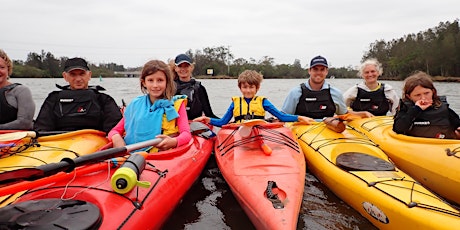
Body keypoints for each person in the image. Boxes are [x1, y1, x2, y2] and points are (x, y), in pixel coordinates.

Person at [108, 60, 191, 151]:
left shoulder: (177, 104)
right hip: (132, 155)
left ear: (167, 82)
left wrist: (174, 141)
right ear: (144, 82)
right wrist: (116, 138)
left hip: (162, 155)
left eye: (160, 80)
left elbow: (186, 134)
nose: (155, 85)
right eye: (150, 80)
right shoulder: (135, 105)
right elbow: (114, 131)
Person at [281, 55, 372, 132]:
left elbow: (344, 114)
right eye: (315, 69)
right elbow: (283, 116)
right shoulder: (296, 92)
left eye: (322, 69)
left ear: (326, 71)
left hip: (328, 131)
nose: (318, 73)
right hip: (302, 132)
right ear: (309, 71)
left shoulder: (335, 93)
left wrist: (362, 113)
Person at [194, 70, 314, 127]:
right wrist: (207, 119)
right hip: (239, 133)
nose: (248, 90)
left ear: (257, 88)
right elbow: (223, 122)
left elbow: (281, 116)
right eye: (244, 87)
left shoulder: (263, 102)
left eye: (251, 87)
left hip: (259, 131)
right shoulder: (235, 103)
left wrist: (299, 117)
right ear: (240, 87)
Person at [34, 57, 122, 134]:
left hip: (95, 144)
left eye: (82, 74)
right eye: (73, 75)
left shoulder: (103, 99)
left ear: (89, 75)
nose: (78, 79)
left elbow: (114, 129)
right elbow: (42, 128)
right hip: (61, 143)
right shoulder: (53, 99)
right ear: (65, 76)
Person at [393, 71, 460, 139]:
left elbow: (457, 125)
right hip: (414, 145)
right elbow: (398, 129)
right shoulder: (406, 110)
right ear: (409, 97)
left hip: (442, 145)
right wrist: (417, 109)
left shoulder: (444, 109)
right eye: (417, 95)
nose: (423, 98)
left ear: (433, 92)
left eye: (426, 93)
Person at [171, 54, 219, 120]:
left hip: (195, 125)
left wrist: (225, 122)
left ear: (191, 67)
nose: (183, 69)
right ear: (175, 68)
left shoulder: (199, 88)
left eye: (186, 66)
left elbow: (209, 114)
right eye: (180, 66)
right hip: (174, 125)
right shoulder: (170, 87)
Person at [0, 49, 35, 130]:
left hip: (17, 138)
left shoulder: (21, 91)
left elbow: (25, 123)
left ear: (8, 70)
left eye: (1, 67)